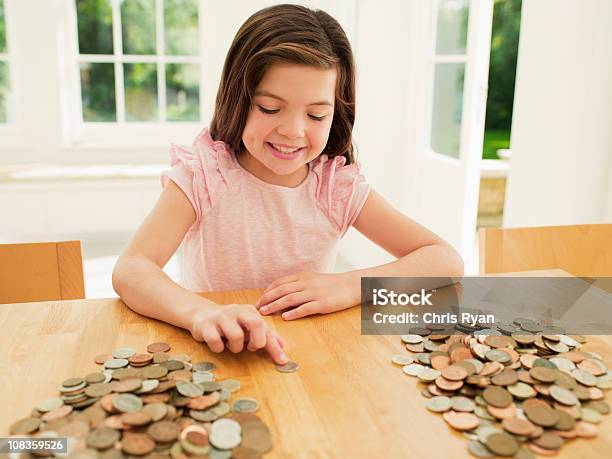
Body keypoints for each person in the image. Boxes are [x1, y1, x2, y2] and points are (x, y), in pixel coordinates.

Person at [112, 4, 464, 366]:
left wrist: (350, 285)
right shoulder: (205, 174)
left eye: (316, 115)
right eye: (269, 108)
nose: (293, 130)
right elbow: (132, 268)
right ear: (238, 99)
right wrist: (199, 313)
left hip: (310, 356)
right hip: (219, 354)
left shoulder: (333, 186)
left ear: (335, 114)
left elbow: (445, 260)